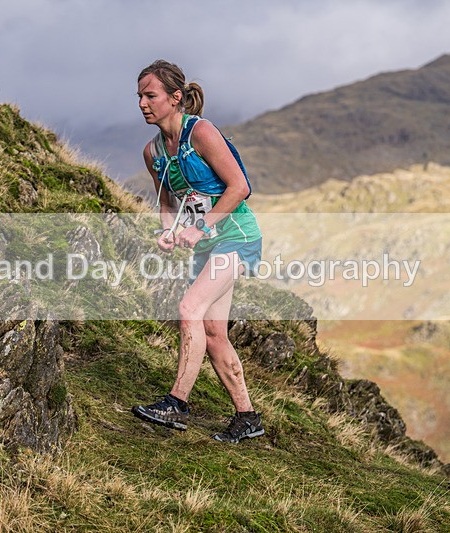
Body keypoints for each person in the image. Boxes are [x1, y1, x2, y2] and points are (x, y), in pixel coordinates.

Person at [130, 60, 264, 443]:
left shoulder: (201, 132)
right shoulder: (153, 152)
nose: (142, 103)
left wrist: (202, 226)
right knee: (213, 331)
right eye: (139, 96)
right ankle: (247, 417)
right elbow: (167, 202)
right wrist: (168, 231)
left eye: (150, 95)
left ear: (175, 97)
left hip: (237, 236)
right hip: (206, 246)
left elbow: (240, 187)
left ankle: (177, 403)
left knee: (189, 308)